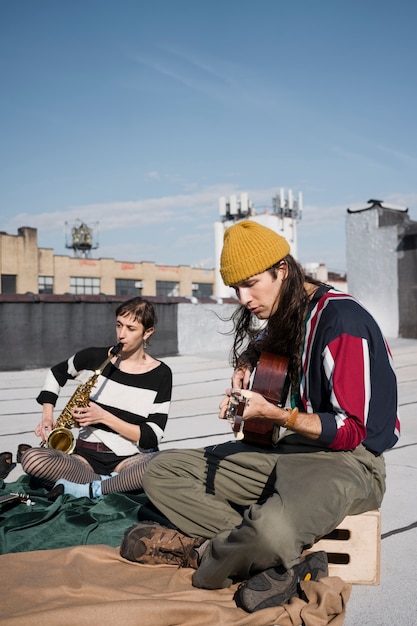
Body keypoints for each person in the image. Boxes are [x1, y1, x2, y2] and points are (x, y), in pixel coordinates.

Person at [119, 220, 400, 613]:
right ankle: (268, 556)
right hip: (287, 450)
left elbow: (353, 430)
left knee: (269, 534)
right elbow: (266, 342)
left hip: (348, 464)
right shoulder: (290, 310)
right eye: (236, 288)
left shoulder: (343, 323)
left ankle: (205, 555)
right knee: (160, 471)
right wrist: (247, 362)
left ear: (282, 270)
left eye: (251, 283)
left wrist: (277, 415)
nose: (244, 298)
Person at [22, 296, 172, 499]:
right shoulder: (94, 357)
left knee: (170, 461)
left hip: (128, 460)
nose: (121, 334)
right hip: (84, 458)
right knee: (32, 459)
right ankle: (112, 485)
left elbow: (152, 435)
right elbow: (57, 373)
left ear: (148, 332)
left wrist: (103, 417)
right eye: (119, 325)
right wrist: (47, 416)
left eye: (131, 328)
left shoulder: (161, 374)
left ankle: (92, 488)